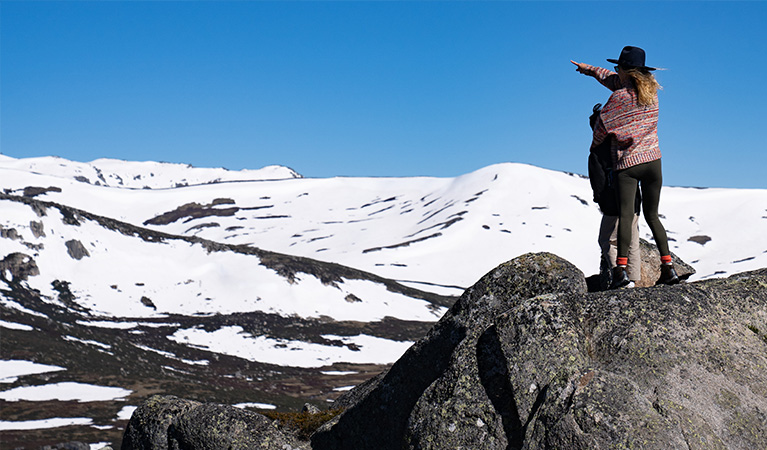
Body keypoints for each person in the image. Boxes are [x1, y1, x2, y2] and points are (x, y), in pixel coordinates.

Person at [572, 46, 679, 288]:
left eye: (617, 67)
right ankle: (668, 268)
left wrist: (595, 131)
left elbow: (600, 130)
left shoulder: (618, 98)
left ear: (625, 70)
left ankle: (620, 272)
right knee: (652, 216)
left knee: (626, 215)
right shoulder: (651, 93)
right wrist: (590, 71)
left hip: (628, 165)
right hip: (653, 162)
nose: (614, 71)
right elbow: (613, 81)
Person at [588, 103, 642, 289]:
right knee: (632, 237)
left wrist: (601, 199)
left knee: (607, 239)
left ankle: (620, 276)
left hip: (613, 201)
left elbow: (598, 180)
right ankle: (633, 278)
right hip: (634, 198)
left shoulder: (597, 151)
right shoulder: (625, 143)